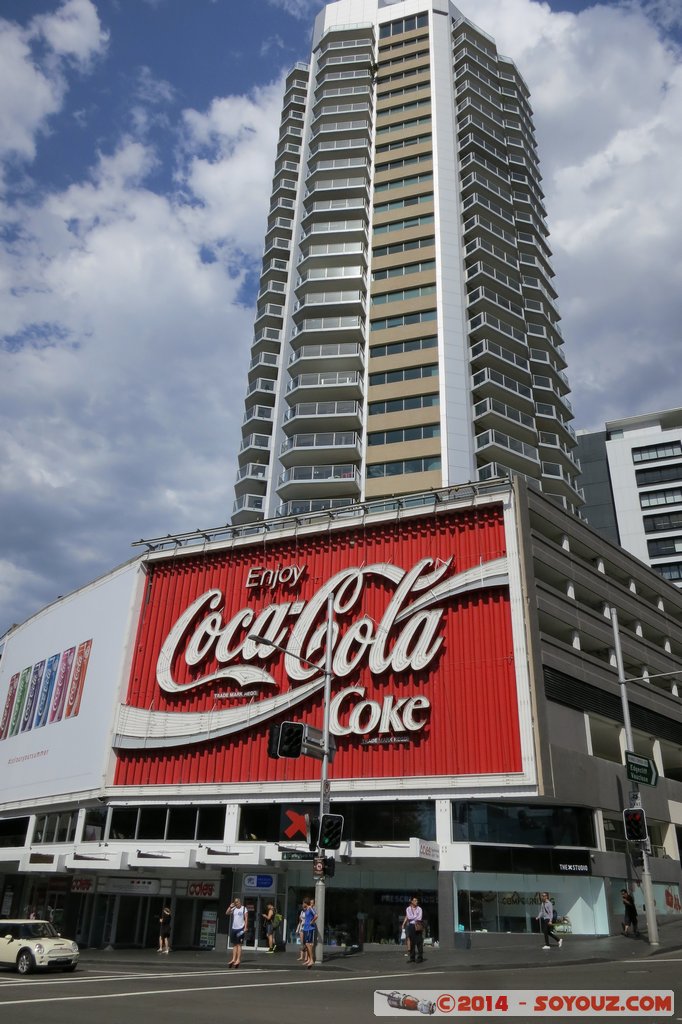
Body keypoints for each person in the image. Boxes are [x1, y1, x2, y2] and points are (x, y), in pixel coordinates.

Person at [226, 897, 248, 968]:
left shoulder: (244, 908)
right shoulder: (234, 908)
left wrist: (245, 927)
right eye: (235, 902)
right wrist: (230, 906)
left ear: (240, 902)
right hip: (234, 928)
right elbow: (227, 913)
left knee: (239, 944)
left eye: (237, 902)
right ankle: (233, 959)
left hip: (240, 928)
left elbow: (246, 918)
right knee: (234, 944)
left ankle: (238, 959)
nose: (236, 903)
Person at [403, 895, 424, 963]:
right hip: (411, 926)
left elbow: (419, 918)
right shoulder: (408, 909)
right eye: (415, 900)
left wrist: (413, 918)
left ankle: (420, 957)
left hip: (418, 925)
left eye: (417, 900)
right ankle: (412, 957)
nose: (416, 902)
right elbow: (409, 917)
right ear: (411, 901)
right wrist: (415, 917)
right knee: (412, 942)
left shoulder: (419, 909)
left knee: (419, 942)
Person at [302, 897, 318, 969]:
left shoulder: (310, 908)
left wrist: (312, 921)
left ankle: (311, 960)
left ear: (306, 903)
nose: (303, 904)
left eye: (303, 903)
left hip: (309, 929)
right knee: (306, 944)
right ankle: (309, 959)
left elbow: (316, 915)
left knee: (308, 944)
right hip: (305, 928)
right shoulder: (306, 910)